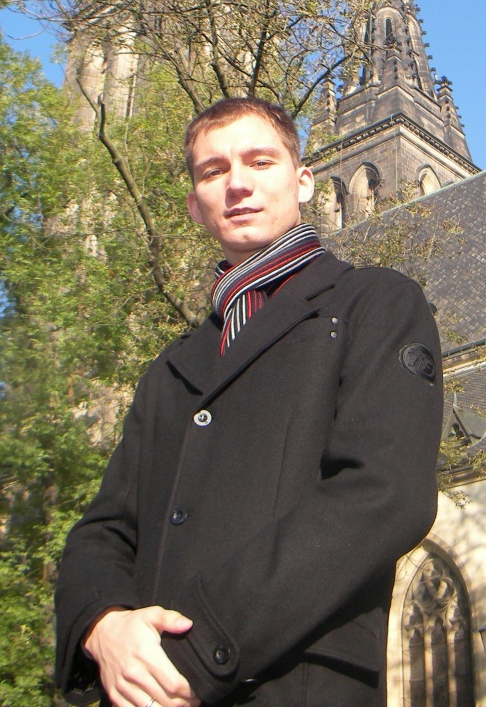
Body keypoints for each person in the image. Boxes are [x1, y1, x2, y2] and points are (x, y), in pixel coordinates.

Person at [55, 96, 443, 707]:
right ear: (195, 205)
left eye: (260, 162)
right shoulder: (171, 368)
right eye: (213, 171)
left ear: (304, 182)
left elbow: (384, 493)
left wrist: (195, 649)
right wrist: (103, 627)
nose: (237, 183)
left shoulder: (375, 304)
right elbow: (103, 532)